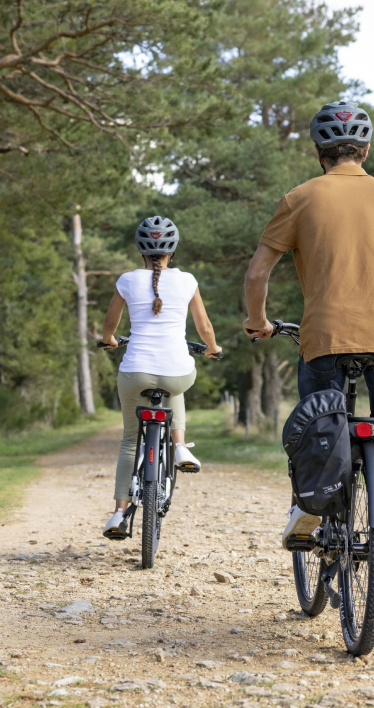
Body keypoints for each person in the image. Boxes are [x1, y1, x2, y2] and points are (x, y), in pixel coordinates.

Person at [243, 101, 374, 558]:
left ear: (319, 152)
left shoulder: (299, 197)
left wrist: (259, 322)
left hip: (324, 337)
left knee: (319, 422)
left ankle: (309, 507)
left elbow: (256, 275)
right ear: (365, 151)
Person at [101, 216, 222, 539]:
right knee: (176, 382)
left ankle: (117, 513)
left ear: (141, 249)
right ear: (173, 249)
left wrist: (109, 339)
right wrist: (212, 348)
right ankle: (180, 445)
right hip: (176, 371)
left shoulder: (126, 280)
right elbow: (205, 326)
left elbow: (110, 321)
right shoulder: (186, 280)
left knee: (129, 441)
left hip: (134, 372)